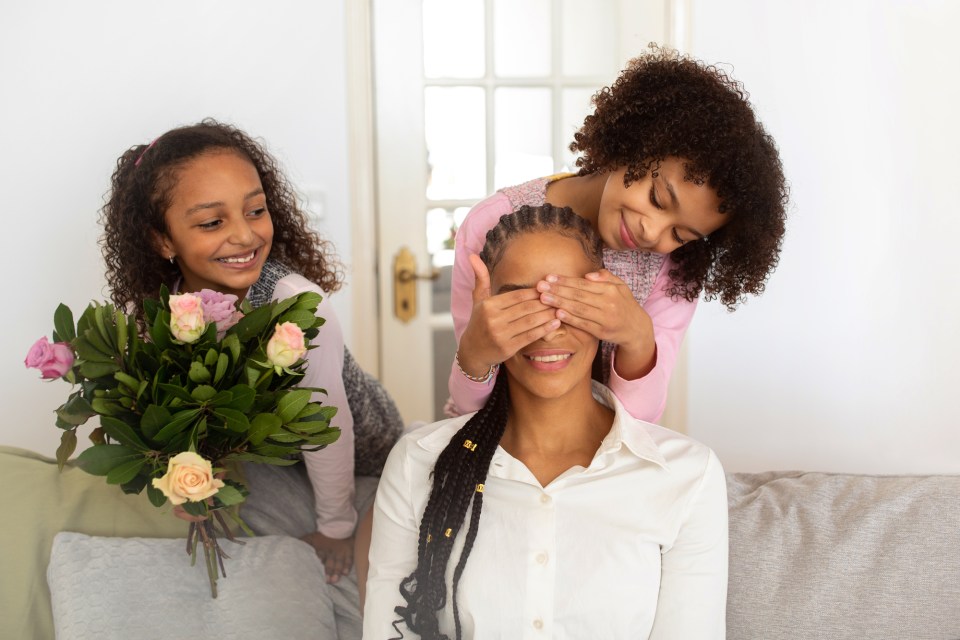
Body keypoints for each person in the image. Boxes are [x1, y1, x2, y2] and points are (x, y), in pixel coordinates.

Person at [364, 204, 728, 639]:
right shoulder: (416, 463)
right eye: (520, 305)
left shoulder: (688, 476)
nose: (548, 329)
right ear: (486, 315)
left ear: (607, 305)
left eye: (570, 300)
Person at [99, 119, 403, 590]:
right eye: (212, 222)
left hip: (364, 445)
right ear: (162, 239)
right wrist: (187, 474)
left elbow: (328, 428)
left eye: (255, 211)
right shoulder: (163, 310)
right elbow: (176, 405)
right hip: (275, 442)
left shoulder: (297, 305)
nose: (245, 236)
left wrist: (336, 528)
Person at [449, 45, 788, 423]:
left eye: (680, 234)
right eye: (657, 198)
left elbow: (640, 420)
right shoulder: (491, 223)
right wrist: (476, 353)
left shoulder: (673, 272)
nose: (651, 232)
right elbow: (467, 407)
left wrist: (637, 337)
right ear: (637, 144)